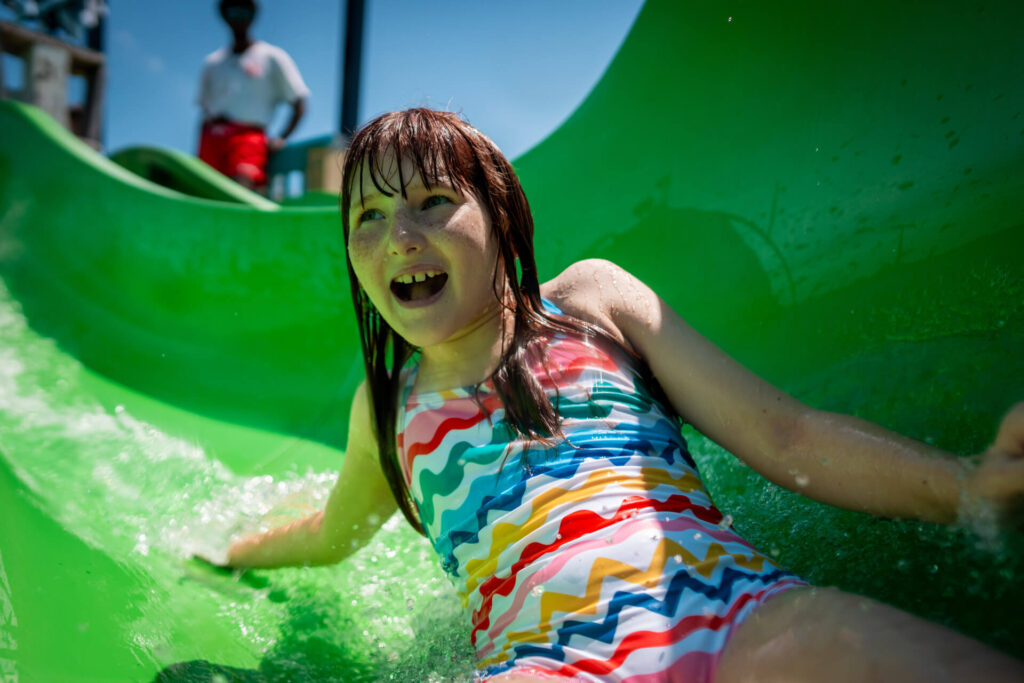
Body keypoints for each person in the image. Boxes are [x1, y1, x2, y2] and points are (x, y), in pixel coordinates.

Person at [214, 109, 1024, 682]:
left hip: (738, 609)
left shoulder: (591, 302)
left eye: (432, 202)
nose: (401, 236)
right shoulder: (387, 407)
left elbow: (788, 436)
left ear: (500, 213)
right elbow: (331, 531)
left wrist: (966, 486)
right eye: (369, 216)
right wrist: (229, 549)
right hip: (542, 661)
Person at [196, 0, 308, 192]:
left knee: (241, 192)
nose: (238, 15)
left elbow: (299, 101)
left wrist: (281, 138)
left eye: (244, 9)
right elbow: (204, 111)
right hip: (211, 138)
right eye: (232, 9)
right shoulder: (212, 63)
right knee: (204, 192)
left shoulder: (272, 56)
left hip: (249, 138)